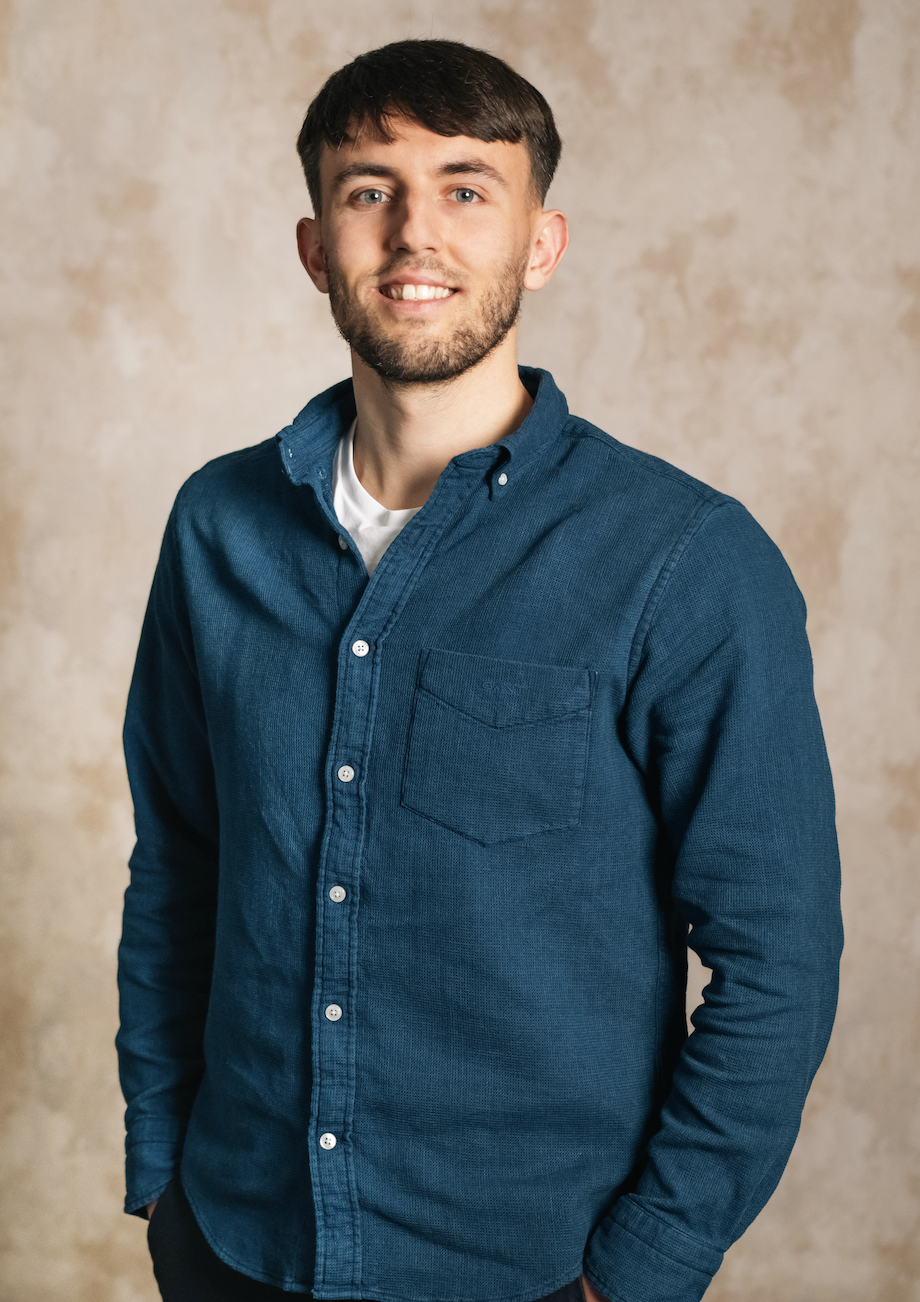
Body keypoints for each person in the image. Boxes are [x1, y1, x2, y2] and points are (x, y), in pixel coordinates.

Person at [116, 38, 843, 1302]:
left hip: (532, 1270)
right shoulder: (215, 526)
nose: (413, 235)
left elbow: (778, 958)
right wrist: (162, 1170)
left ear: (541, 243)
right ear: (312, 247)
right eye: (367, 190)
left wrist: (646, 1264)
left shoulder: (683, 561)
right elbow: (180, 860)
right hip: (236, 1240)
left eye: (464, 189)